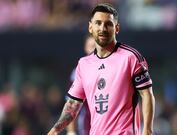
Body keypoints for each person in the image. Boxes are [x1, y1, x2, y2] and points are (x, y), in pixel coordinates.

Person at [48, 3, 155, 135]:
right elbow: (73, 104)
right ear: (90, 27)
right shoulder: (83, 64)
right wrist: (55, 130)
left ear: (117, 28)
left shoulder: (131, 57)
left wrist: (147, 131)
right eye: (98, 23)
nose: (102, 28)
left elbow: (147, 95)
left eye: (108, 24)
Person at [66, 36, 95, 135]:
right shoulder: (78, 72)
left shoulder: (113, 68)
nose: (93, 50)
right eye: (91, 46)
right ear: (85, 48)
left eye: (96, 46)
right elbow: (72, 105)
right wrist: (71, 132)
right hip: (87, 126)